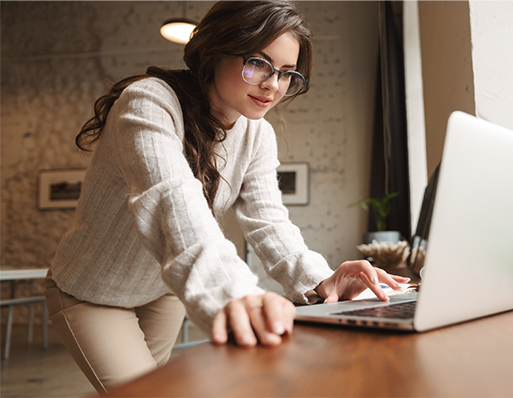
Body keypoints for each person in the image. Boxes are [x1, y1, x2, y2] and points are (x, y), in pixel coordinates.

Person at [44, 0, 409, 393]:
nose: (272, 85)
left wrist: (322, 281)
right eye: (258, 63)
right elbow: (172, 202)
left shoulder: (257, 134)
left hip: (161, 291)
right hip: (94, 292)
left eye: (288, 74)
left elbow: (270, 223)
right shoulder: (148, 102)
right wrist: (238, 296)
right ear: (216, 50)